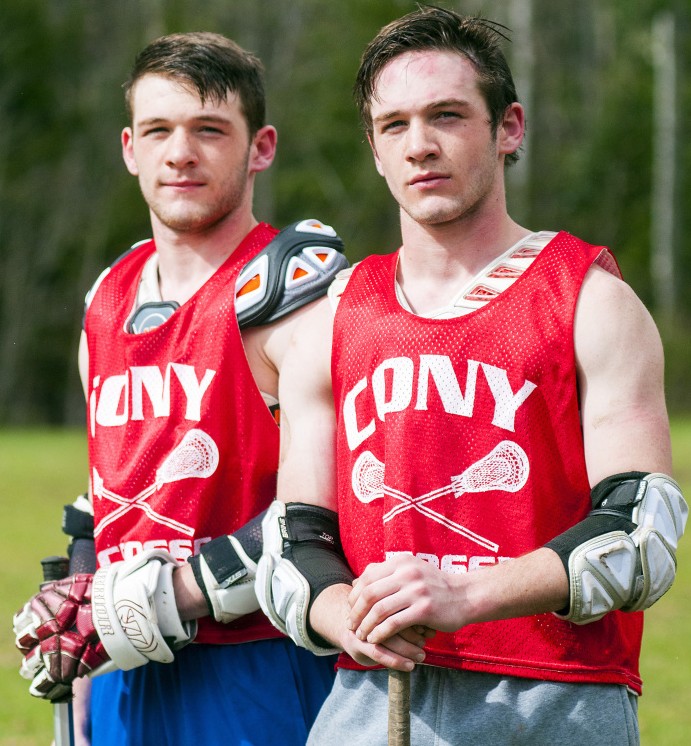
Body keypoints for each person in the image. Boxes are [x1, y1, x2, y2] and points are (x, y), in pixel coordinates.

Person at [255, 6, 688, 746]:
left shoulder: (588, 300)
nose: (420, 145)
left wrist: (465, 593)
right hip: (372, 696)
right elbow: (295, 546)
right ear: (374, 149)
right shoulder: (331, 321)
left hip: (557, 701)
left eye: (447, 116)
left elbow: (641, 536)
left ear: (507, 128)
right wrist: (352, 620)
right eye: (393, 126)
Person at [13, 32, 347, 746]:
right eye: (160, 130)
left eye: (209, 130)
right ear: (131, 148)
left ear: (260, 148)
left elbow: (327, 510)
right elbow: (104, 499)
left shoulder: (295, 297)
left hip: (259, 665)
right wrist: (78, 629)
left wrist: (170, 597)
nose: (181, 153)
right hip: (124, 674)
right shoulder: (107, 299)